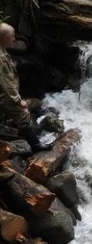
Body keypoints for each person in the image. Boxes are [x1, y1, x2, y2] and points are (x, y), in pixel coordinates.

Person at [0, 22, 52, 152]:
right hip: (4, 95)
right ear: (5, 38)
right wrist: (18, 100)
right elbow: (6, 82)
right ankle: (35, 146)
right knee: (23, 114)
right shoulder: (1, 58)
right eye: (12, 36)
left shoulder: (3, 51)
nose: (14, 39)